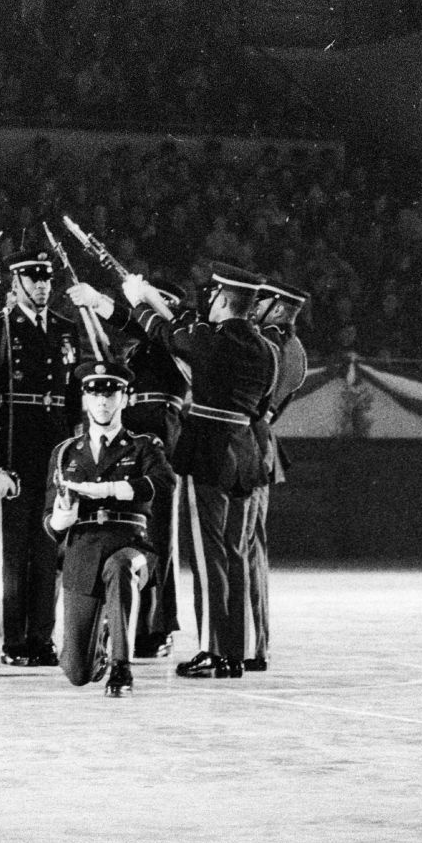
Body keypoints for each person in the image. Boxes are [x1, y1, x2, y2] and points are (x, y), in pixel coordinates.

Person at [106, 261, 276, 679]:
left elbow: (169, 334)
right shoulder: (265, 350)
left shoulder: (212, 341)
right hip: (246, 455)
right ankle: (234, 650)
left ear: (221, 299)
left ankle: (213, 651)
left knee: (207, 559)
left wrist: (138, 301)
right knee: (235, 556)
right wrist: (148, 297)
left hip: (210, 454)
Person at [66, 275, 191, 659]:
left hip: (159, 432)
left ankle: (157, 626)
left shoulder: (174, 342)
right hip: (134, 431)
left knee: (156, 535)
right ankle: (126, 620)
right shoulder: (140, 352)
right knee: (127, 529)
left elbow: (138, 325)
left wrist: (102, 302)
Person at [0, 248, 81, 666]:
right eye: (32, 278)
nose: (41, 285)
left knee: (50, 547)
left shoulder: (67, 329)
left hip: (54, 453)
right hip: (16, 450)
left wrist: (77, 455)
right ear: (15, 283)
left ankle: (42, 638)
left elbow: (74, 399)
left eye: (46, 278)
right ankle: (15, 641)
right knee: (15, 552)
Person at [44, 360, 175, 697]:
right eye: (94, 394)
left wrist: (106, 490)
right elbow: (50, 524)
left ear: (125, 399)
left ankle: (121, 666)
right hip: (83, 551)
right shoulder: (64, 453)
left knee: (120, 569)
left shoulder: (144, 446)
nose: (102, 401)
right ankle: (101, 642)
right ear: (85, 400)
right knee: (76, 672)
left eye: (111, 393)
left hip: (128, 544)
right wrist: (62, 516)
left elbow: (163, 482)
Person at [243, 279, 311, 672]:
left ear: (279, 309)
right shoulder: (295, 349)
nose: (253, 307)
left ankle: (250, 643)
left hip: (249, 443)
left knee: (245, 548)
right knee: (253, 548)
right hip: (264, 445)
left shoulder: (266, 346)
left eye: (262, 302)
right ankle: (257, 641)